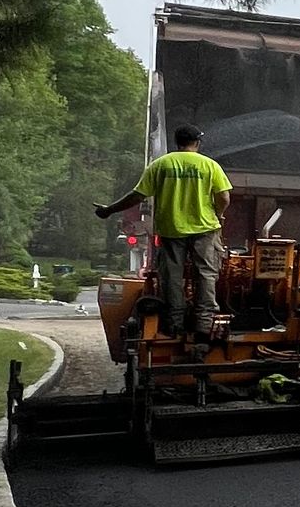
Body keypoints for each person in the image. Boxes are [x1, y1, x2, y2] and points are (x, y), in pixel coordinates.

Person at [96, 126, 231, 344]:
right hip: (205, 229)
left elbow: (137, 196)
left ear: (176, 141)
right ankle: (204, 324)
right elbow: (224, 197)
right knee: (205, 274)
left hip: (171, 230)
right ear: (197, 142)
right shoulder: (210, 166)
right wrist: (218, 214)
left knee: (172, 277)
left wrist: (109, 209)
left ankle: (174, 323)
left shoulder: (161, 165)